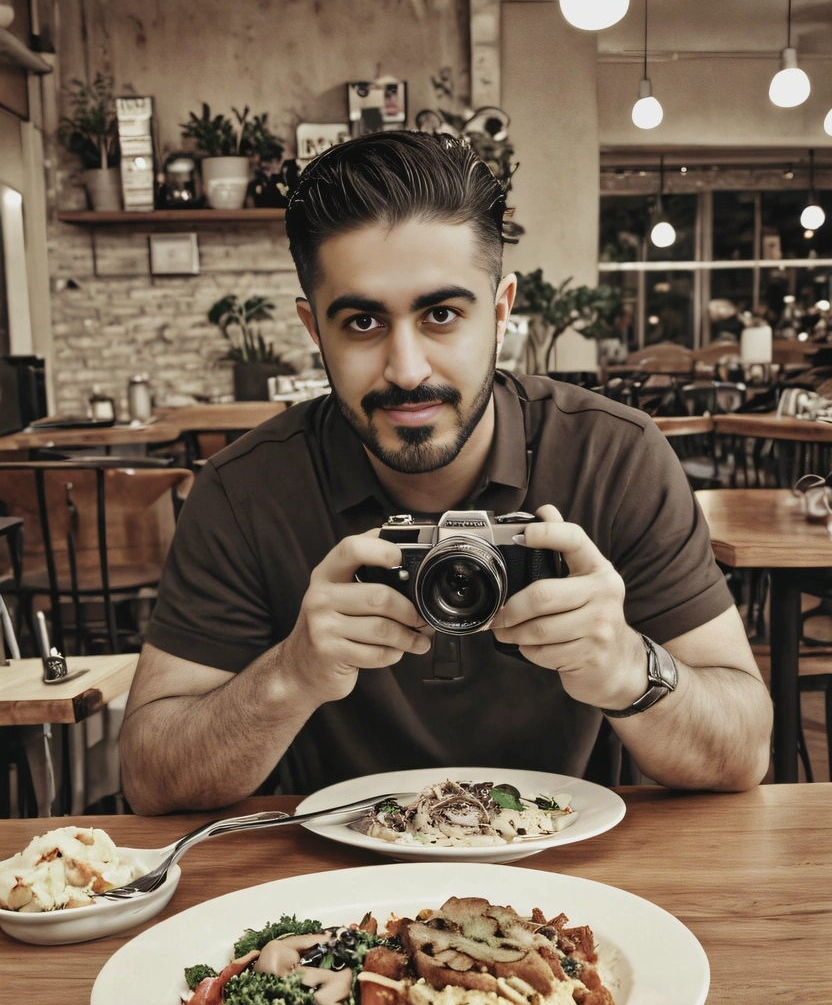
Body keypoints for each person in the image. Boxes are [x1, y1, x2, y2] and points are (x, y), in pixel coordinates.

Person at [120, 131, 772, 814]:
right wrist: (291, 675)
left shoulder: (616, 457)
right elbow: (150, 781)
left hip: (578, 884)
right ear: (315, 331)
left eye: (440, 315)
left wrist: (626, 668)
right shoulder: (242, 490)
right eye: (363, 321)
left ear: (499, 313)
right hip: (334, 893)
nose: (406, 369)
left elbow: (744, 752)